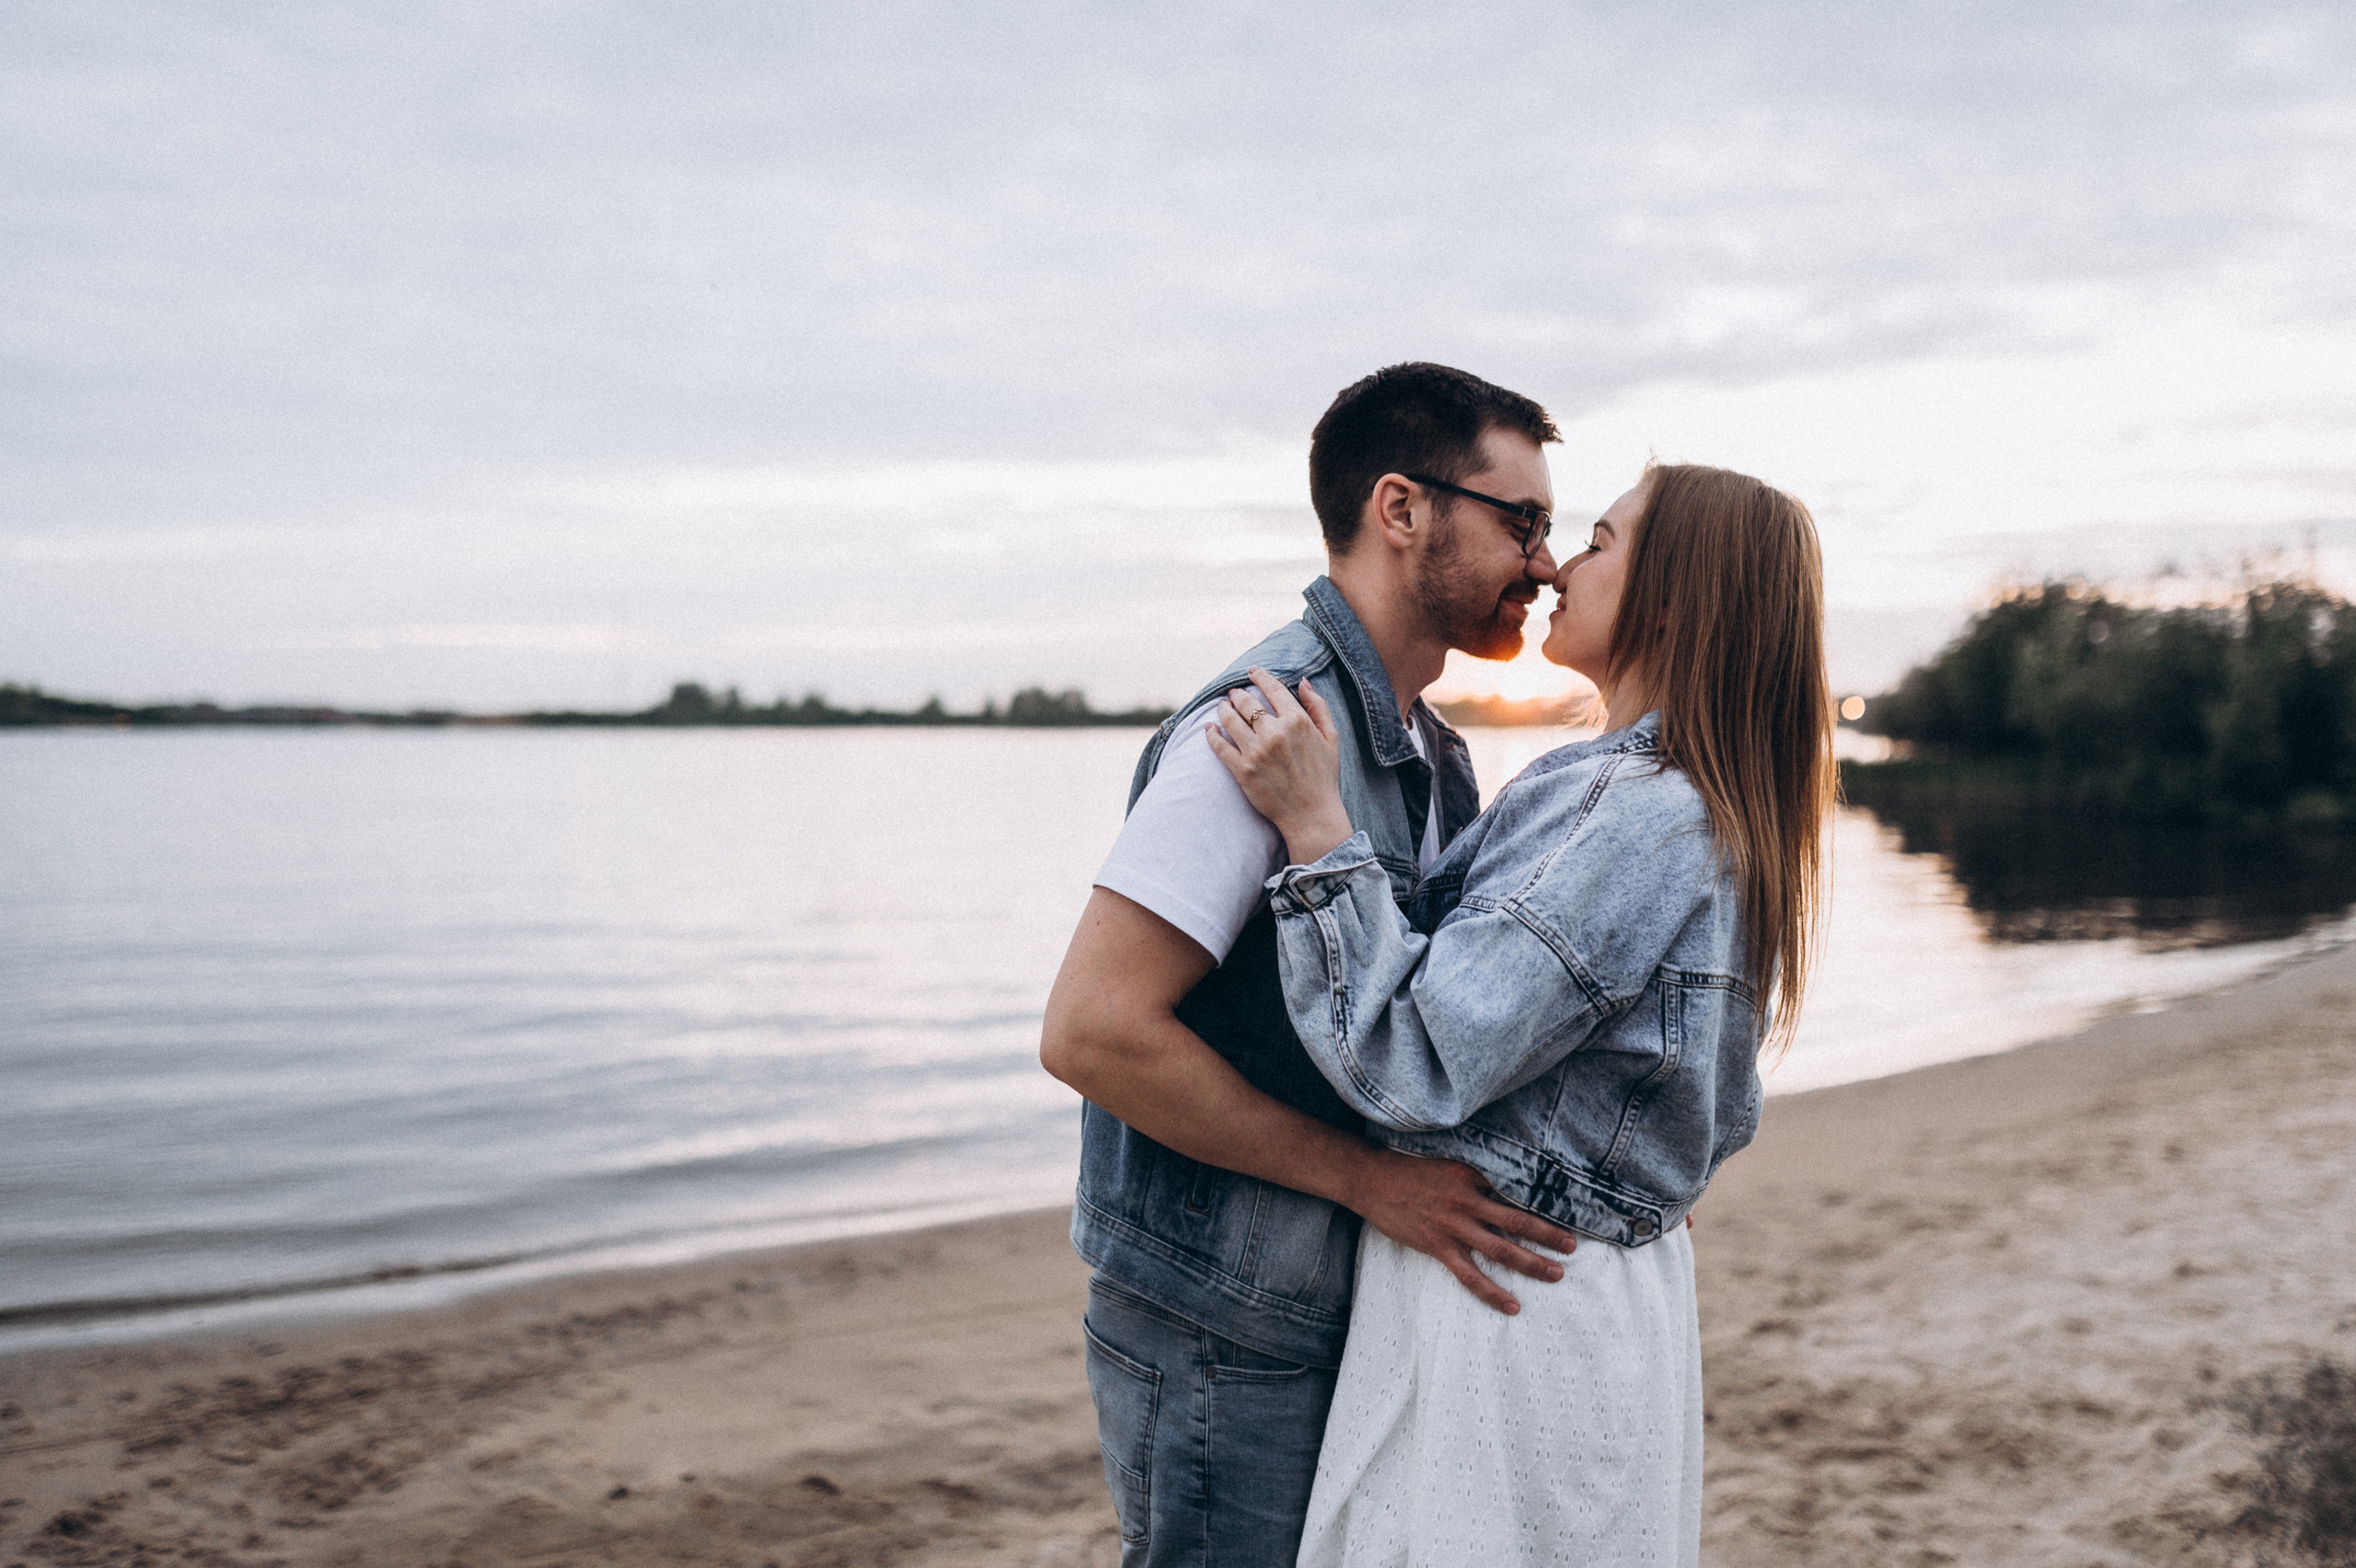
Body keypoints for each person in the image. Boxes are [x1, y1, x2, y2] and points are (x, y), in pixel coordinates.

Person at [1206, 463, 1835, 1566]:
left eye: (1597, 541)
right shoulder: (1711, 805)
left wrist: (1315, 829)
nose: (1556, 569)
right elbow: (1718, 1104)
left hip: (1506, 1303)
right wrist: (1634, 1172)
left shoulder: (1629, 808)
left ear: (1676, 601)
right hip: (1589, 1291)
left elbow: (1410, 1059)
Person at [1039, 363, 1589, 1566]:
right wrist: (1366, 1183)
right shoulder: (1258, 727)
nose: (1545, 564)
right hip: (1221, 1326)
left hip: (1332, 1305)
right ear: (1402, 509)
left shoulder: (1431, 754)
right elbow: (1093, 1032)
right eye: (1523, 521)